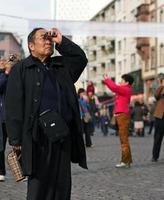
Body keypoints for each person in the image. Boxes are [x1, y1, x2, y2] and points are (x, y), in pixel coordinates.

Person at [5, 28, 88, 200]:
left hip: (62, 134)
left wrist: (62, 41)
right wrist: (15, 139)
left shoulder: (60, 65)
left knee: (61, 184)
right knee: (39, 186)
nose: (48, 41)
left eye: (50, 39)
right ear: (31, 46)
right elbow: (13, 105)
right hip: (36, 137)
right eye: (43, 38)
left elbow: (80, 59)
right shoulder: (21, 69)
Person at [103, 74, 134, 168]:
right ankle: (128, 160)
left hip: (122, 116)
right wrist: (102, 103)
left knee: (124, 140)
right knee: (123, 139)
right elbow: (114, 96)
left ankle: (125, 161)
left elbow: (114, 87)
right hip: (120, 116)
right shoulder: (124, 90)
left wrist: (107, 79)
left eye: (122, 80)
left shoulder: (126, 89)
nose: (120, 82)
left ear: (127, 82)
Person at [0, 56, 17, 182]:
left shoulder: (11, 75)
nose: (3, 62)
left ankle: (22, 171)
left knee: (18, 144)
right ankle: (1, 172)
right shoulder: (3, 75)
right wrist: (5, 73)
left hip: (12, 116)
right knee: (0, 147)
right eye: (1, 61)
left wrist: (12, 67)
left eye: (4, 61)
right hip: (1, 117)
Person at [152, 77, 164, 162]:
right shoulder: (160, 89)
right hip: (160, 117)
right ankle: (155, 156)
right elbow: (156, 96)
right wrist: (162, 86)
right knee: (157, 137)